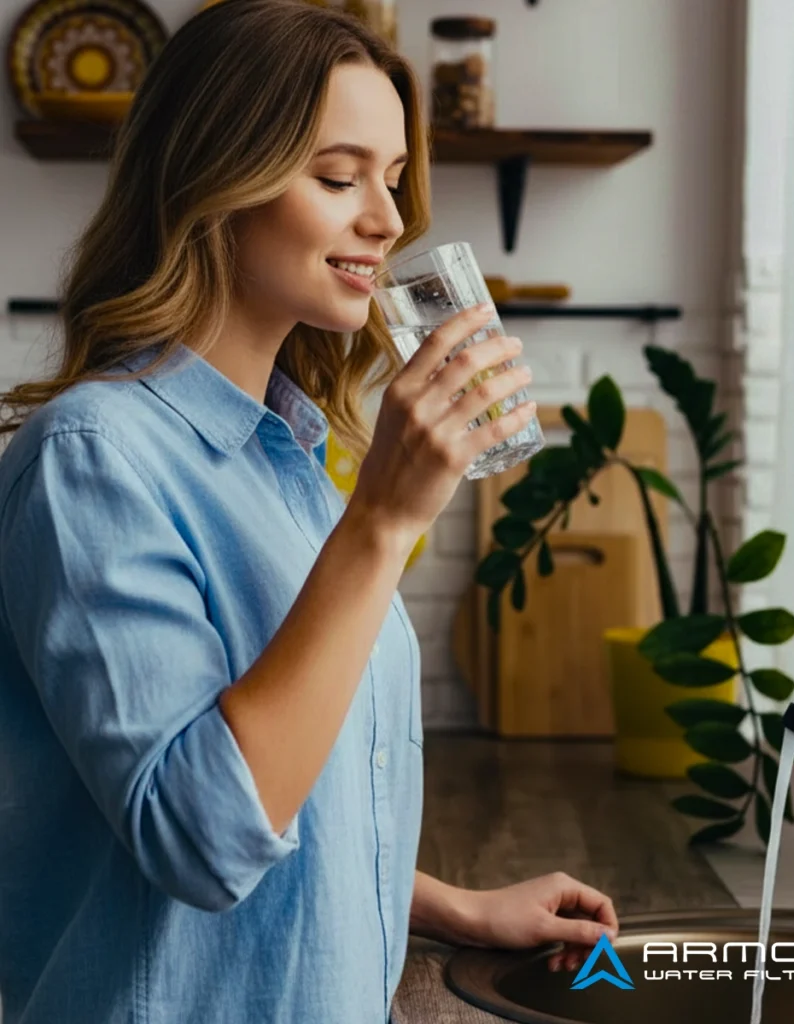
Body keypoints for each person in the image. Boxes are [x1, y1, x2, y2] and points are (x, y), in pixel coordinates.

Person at [0, 2, 619, 1021]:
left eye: (389, 179)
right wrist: (381, 523)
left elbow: (292, 787)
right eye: (338, 178)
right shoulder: (90, 462)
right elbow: (197, 837)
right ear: (215, 180)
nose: (384, 218)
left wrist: (447, 904)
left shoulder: (290, 463)